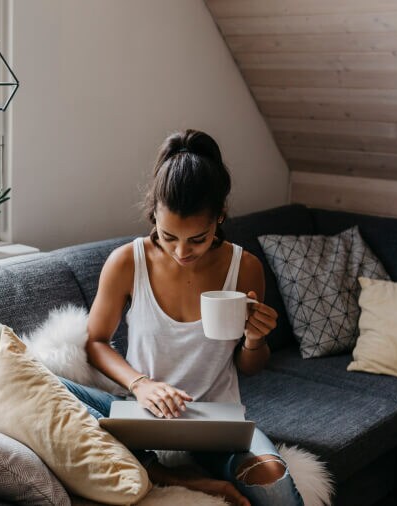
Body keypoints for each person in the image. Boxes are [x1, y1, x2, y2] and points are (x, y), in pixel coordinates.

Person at [59, 129, 304, 506]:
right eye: (169, 235)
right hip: (141, 413)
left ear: (220, 217)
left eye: (198, 239)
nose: (181, 251)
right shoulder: (127, 262)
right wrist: (141, 384)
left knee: (274, 484)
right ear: (154, 212)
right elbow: (94, 341)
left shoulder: (245, 267)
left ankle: (168, 472)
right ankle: (170, 475)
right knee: (53, 389)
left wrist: (255, 340)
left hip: (215, 422)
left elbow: (251, 366)